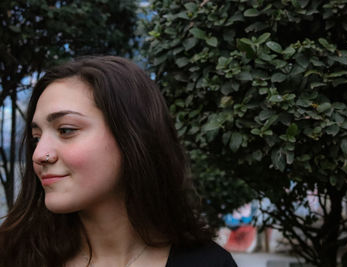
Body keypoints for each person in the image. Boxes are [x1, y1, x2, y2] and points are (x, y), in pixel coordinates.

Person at [0, 56, 238, 267]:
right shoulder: (13, 256)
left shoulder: (209, 262)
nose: (39, 154)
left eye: (66, 130)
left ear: (133, 138)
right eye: (35, 138)